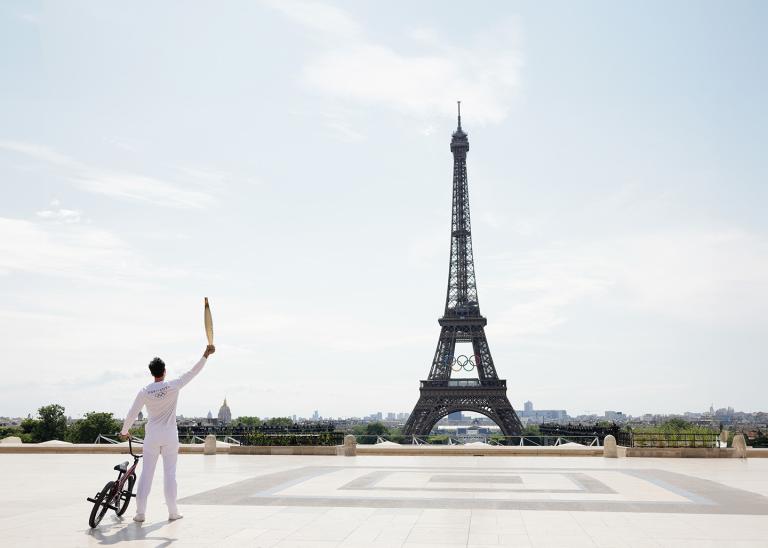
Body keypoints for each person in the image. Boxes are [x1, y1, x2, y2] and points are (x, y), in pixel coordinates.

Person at [120, 344, 216, 522]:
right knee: (170, 474)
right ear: (164, 371)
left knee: (146, 474)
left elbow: (132, 413)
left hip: (152, 435)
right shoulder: (173, 385)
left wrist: (124, 431)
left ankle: (140, 513)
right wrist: (205, 354)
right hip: (170, 435)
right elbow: (193, 372)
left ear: (152, 373)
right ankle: (173, 512)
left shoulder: (145, 391)